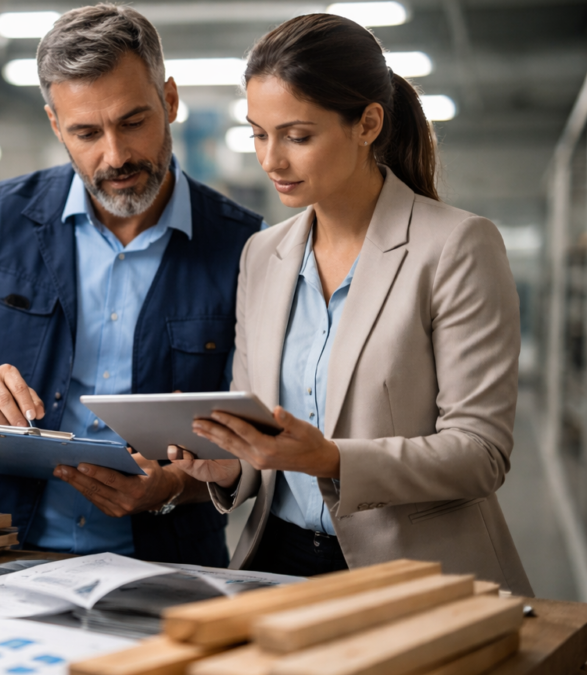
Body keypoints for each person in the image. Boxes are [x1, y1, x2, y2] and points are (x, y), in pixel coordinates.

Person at [0, 4, 262, 564]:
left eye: (133, 122)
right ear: (55, 125)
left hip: (166, 565)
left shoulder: (249, 247)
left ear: (170, 101)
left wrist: (171, 487)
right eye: (86, 132)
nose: (115, 155)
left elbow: (258, 448)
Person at [172, 13, 533, 594]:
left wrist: (332, 459)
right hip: (277, 561)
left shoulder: (455, 246)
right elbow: (263, 434)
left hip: (411, 573)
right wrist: (231, 467)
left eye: (297, 136)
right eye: (259, 134)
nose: (271, 160)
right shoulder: (262, 255)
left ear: (367, 124)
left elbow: (480, 453)